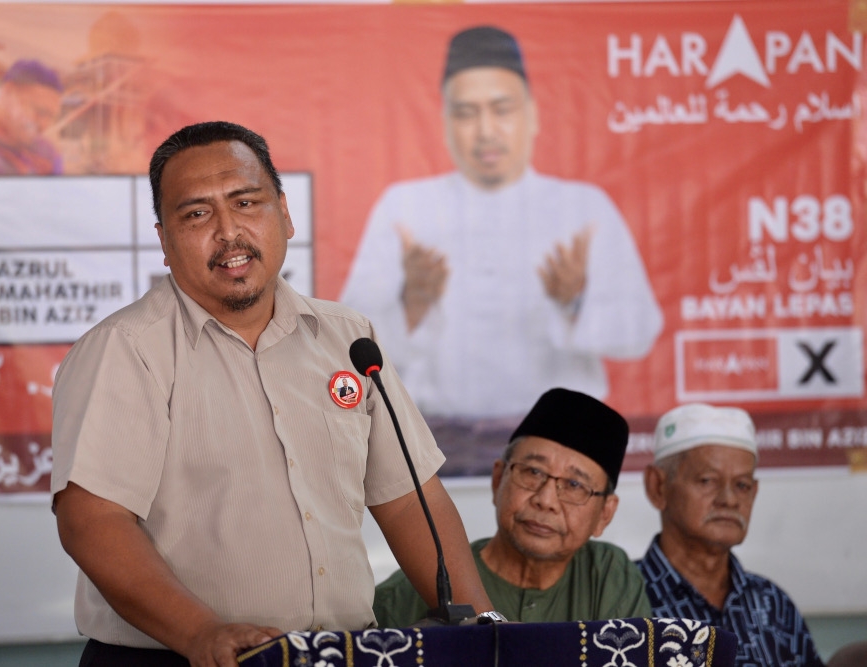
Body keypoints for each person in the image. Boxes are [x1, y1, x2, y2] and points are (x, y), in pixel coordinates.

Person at [50, 121, 494, 666]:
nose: (228, 231)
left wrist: (486, 630)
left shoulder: (348, 338)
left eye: (245, 202)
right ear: (164, 241)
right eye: (196, 214)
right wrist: (199, 633)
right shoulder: (125, 350)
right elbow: (92, 521)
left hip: (339, 653)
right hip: (180, 656)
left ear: (284, 214)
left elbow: (408, 502)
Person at [341, 25, 663, 420]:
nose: (486, 131)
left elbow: (639, 332)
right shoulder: (404, 207)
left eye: (502, 110)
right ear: (445, 123)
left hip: (559, 434)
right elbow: (350, 341)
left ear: (532, 115)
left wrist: (576, 303)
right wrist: (412, 304)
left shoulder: (584, 208)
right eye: (466, 114)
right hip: (438, 442)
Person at [373, 387, 652, 627]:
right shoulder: (407, 591)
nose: (546, 500)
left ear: (605, 513)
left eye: (574, 485)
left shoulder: (607, 575)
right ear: (498, 479)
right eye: (533, 472)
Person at [637, 403, 825, 667]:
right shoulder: (624, 598)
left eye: (742, 485)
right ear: (658, 486)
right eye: (707, 481)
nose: (729, 500)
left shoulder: (773, 605)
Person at [0, 58, 64, 176]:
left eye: (51, 117)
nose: (44, 125)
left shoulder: (47, 154)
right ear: (8, 92)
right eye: (40, 112)